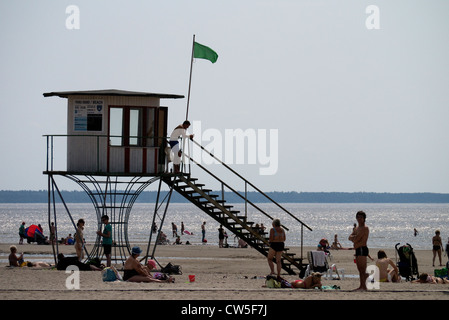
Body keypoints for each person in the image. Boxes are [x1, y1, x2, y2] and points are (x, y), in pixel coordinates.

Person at [348, 210, 370, 291]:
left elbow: (356, 239)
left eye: (361, 217)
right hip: (357, 249)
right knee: (360, 269)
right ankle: (362, 286)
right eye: (358, 217)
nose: (359, 219)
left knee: (362, 269)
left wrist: (353, 237)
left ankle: (364, 286)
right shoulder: (357, 228)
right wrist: (353, 237)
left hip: (362, 249)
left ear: (364, 218)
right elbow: (350, 237)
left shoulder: (365, 228)